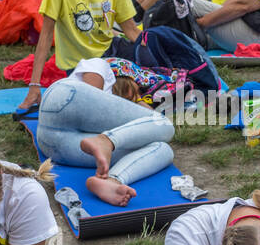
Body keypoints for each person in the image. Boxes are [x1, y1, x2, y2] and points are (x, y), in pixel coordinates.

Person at [37, 58, 175, 206]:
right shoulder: (100, 65)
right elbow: (89, 101)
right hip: (62, 98)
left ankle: (112, 181)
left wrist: (137, 101)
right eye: (138, 88)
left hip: (52, 145)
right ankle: (106, 140)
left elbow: (150, 129)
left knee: (162, 148)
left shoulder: (112, 117)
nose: (139, 92)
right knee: (164, 124)